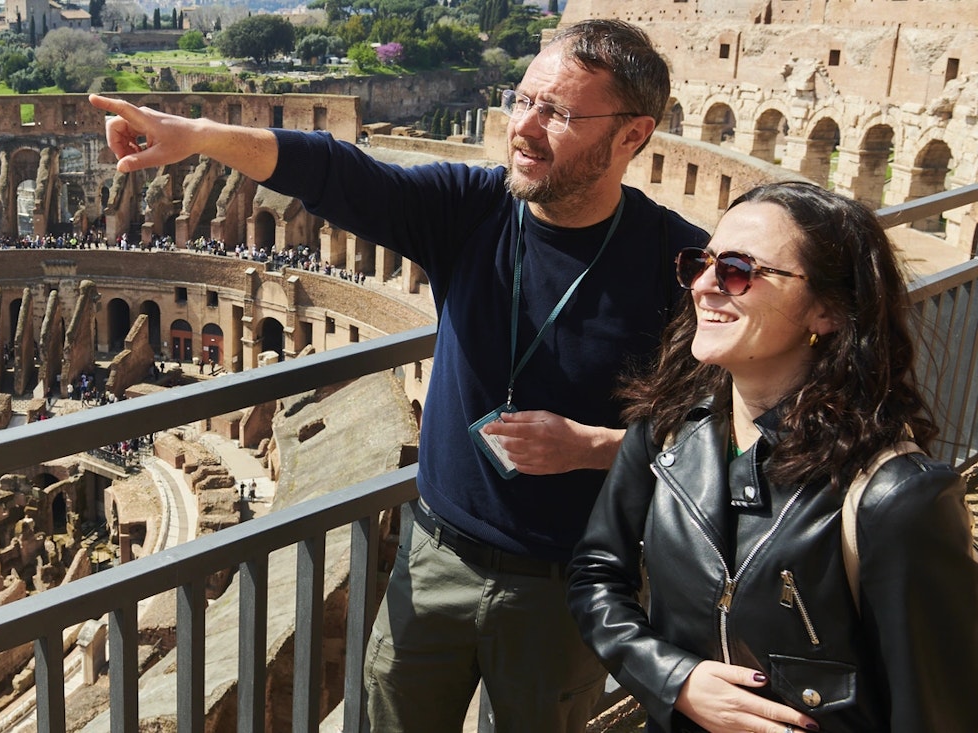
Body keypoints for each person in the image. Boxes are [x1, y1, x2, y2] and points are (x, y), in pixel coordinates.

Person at [92, 18, 706, 731]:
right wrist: (199, 135)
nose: (525, 127)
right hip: (434, 553)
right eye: (523, 99)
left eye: (558, 113)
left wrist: (594, 447)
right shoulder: (472, 210)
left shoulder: (683, 267)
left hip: (566, 585)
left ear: (632, 135)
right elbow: (337, 174)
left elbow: (723, 437)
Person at [567, 181, 978, 732]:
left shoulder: (895, 498)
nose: (705, 286)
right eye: (700, 262)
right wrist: (675, 679)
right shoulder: (665, 428)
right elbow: (596, 574)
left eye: (739, 269)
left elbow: (934, 714)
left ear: (827, 311)